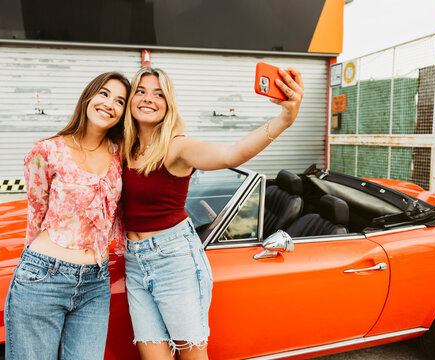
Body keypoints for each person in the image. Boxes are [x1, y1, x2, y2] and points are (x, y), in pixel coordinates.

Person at [121, 66, 304, 359]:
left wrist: (284, 119)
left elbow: (232, 154)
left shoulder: (177, 147)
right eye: (140, 91)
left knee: (192, 355)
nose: (148, 99)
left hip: (174, 260)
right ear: (130, 100)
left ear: (168, 104)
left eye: (158, 94)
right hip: (134, 260)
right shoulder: (125, 148)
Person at [4, 72, 131, 360]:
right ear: (88, 97)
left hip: (95, 282)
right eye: (104, 94)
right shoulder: (47, 151)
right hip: (44, 276)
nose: (110, 104)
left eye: (120, 101)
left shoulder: (120, 154)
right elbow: (36, 213)